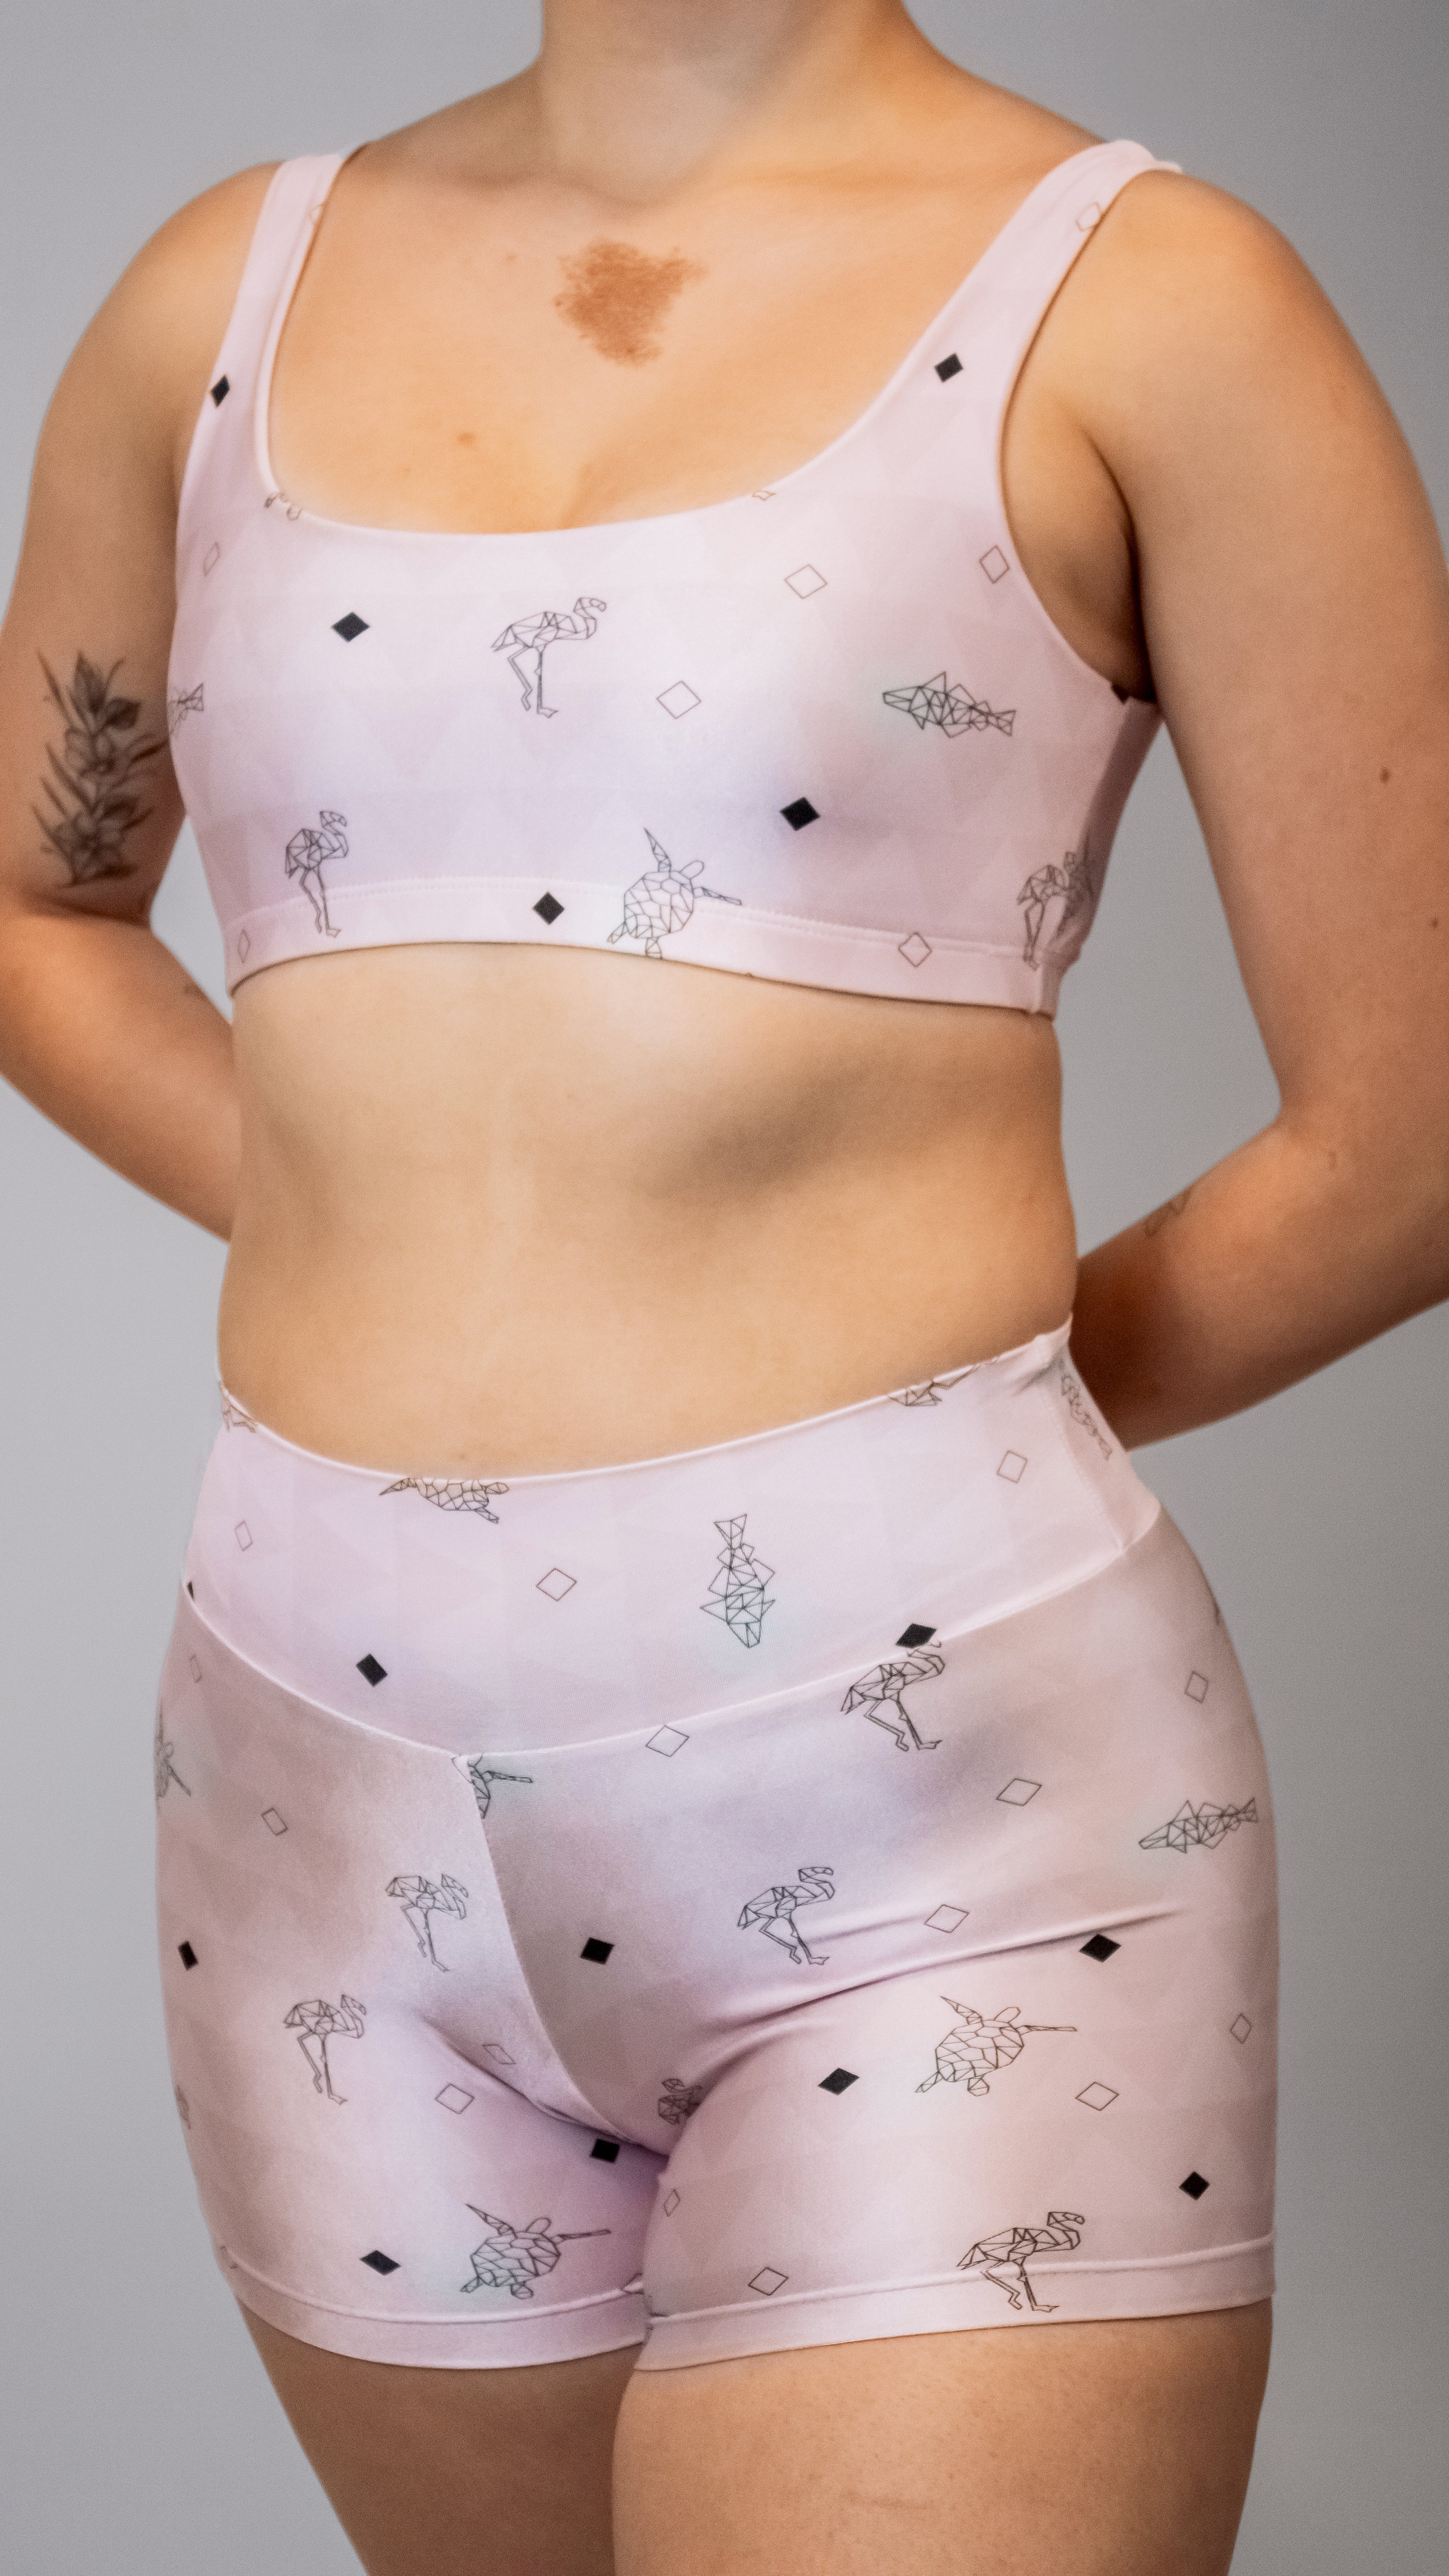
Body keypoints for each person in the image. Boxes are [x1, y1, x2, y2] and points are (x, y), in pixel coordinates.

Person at [2, 5, 1447, 2572]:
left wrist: (915, 1430)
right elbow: (40, 906)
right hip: (314, 1808)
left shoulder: (1149, 298)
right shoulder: (216, 295)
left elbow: (1413, 1140)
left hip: (935, 1820)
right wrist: (404, 1225)